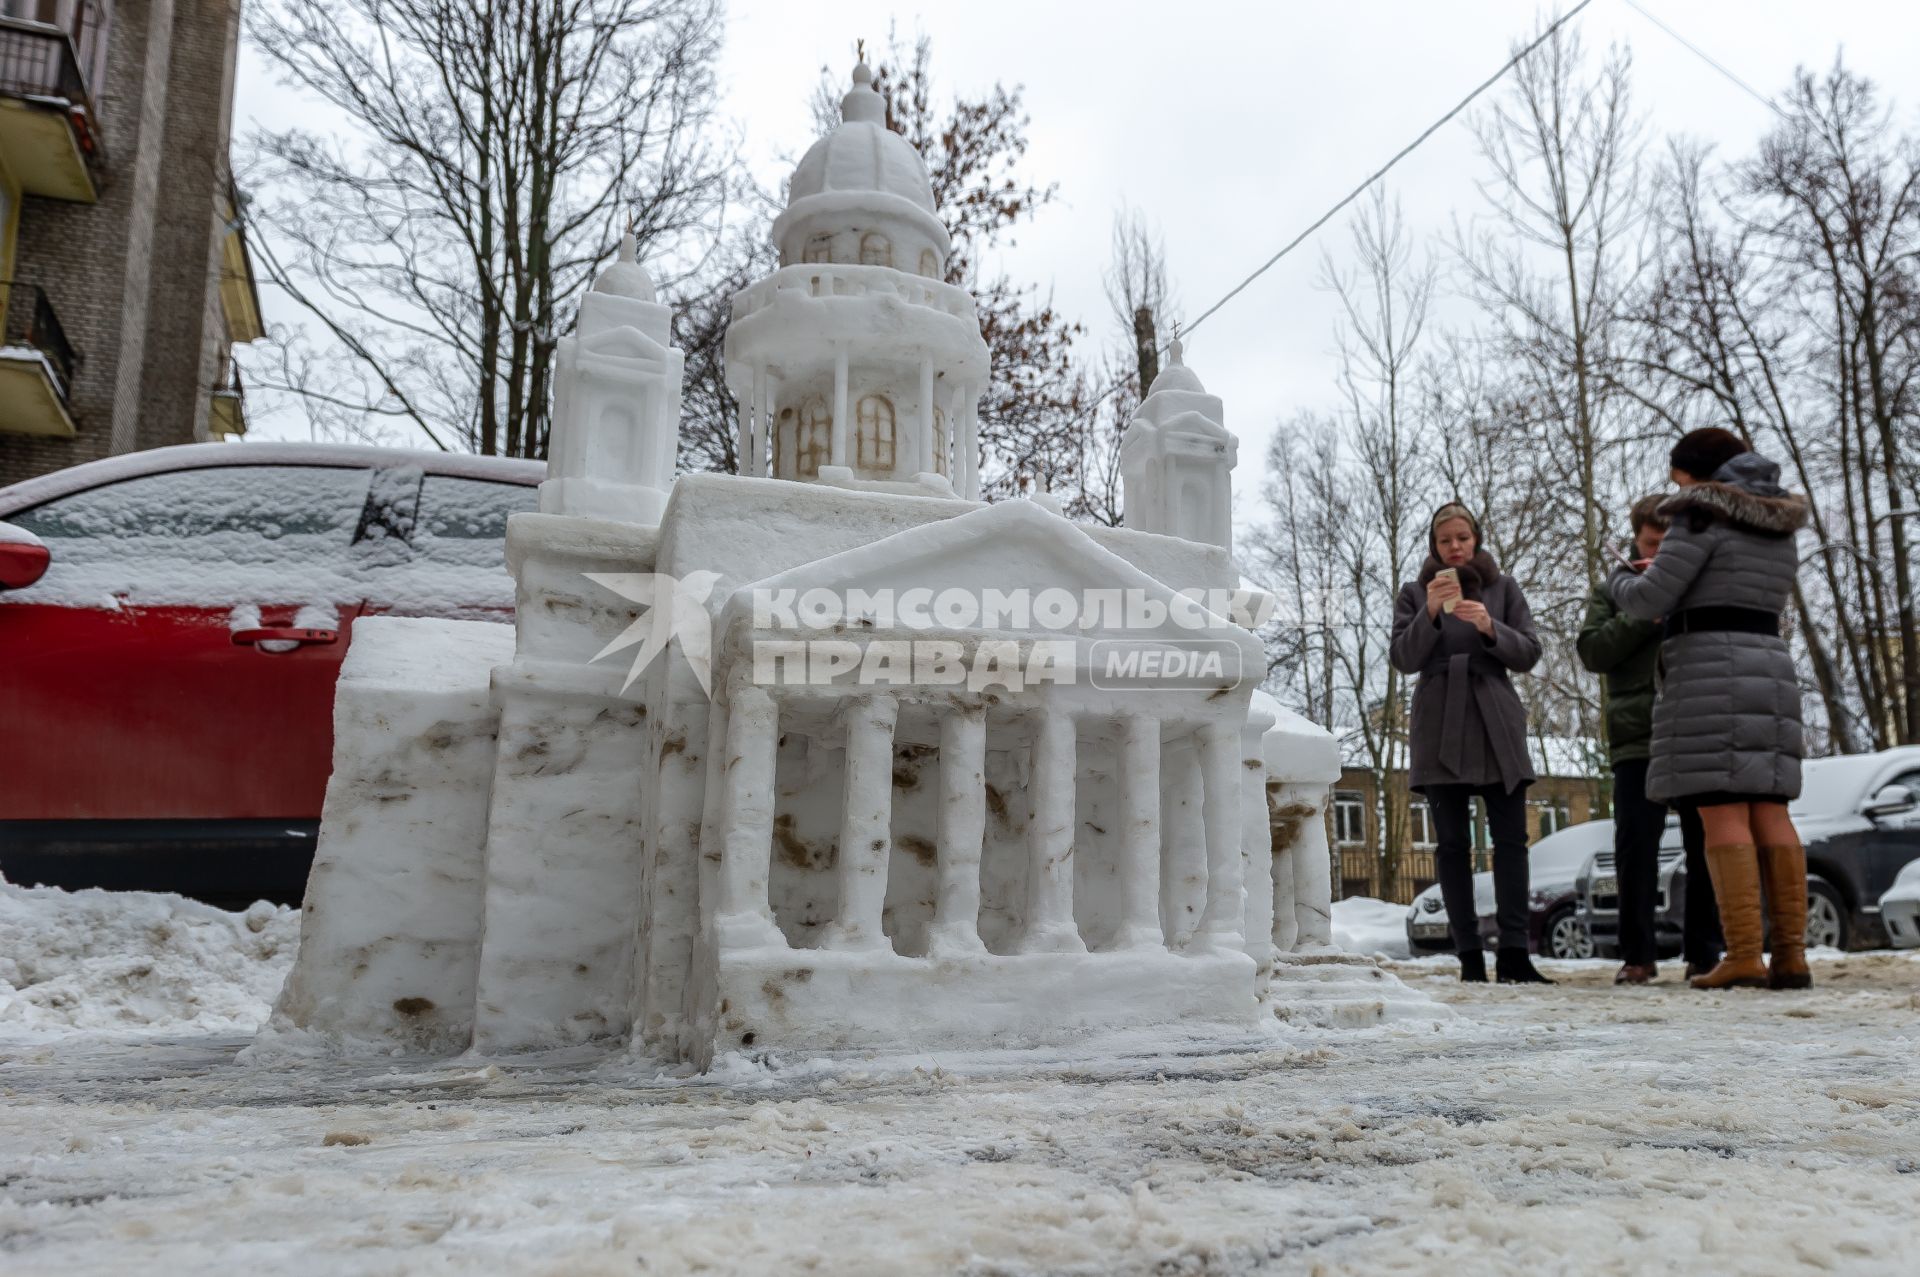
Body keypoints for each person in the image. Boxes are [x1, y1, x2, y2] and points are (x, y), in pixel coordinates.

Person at [1610, 427, 1811, 991]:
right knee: (1771, 808)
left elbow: (1650, 600)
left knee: (1721, 811)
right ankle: (1791, 955)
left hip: (1707, 672)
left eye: (1678, 479)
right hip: (1770, 666)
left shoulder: (1698, 516)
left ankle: (1745, 952)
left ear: (1695, 475)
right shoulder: (1775, 521)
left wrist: (1622, 578)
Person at [1391, 502, 1548, 984]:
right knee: (1453, 844)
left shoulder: (1503, 588)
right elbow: (1402, 657)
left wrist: (1489, 627)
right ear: (1433, 547)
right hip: (1439, 720)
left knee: (1511, 841)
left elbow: (1530, 653)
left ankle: (1516, 955)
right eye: (1445, 541)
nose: (1455, 547)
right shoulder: (1415, 592)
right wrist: (1432, 613)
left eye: (1462, 538)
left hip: (1496, 716)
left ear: (1475, 539)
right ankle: (1470, 958)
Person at [1578, 496, 1720, 985]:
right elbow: (1592, 650)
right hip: (1637, 734)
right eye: (1651, 543)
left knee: (1707, 842)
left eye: (1668, 544)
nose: (1659, 552)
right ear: (1636, 540)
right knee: (1635, 847)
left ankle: (1705, 953)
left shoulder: (1701, 581)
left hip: (1697, 726)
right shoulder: (1615, 589)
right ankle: (1637, 955)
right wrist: (1644, 614)